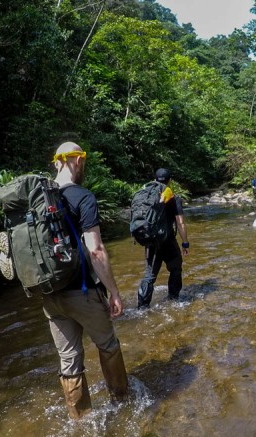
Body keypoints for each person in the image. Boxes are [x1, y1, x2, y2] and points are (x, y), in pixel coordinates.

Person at [47, 141, 128, 419]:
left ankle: (81, 422)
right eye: (85, 162)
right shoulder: (83, 196)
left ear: (56, 162)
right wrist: (114, 292)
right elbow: (95, 250)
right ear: (77, 161)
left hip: (49, 294)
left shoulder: (39, 199)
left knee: (69, 362)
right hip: (81, 291)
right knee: (108, 345)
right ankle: (123, 404)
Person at [137, 168, 190, 308]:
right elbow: (180, 223)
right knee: (176, 268)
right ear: (170, 181)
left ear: (154, 180)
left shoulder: (147, 197)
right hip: (168, 241)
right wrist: (185, 243)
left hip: (150, 241)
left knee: (149, 276)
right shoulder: (174, 198)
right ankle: (173, 299)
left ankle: (142, 307)